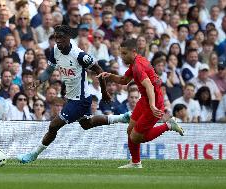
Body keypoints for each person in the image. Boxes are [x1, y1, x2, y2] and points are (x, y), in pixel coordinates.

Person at [17, 25, 111, 164]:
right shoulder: (55, 50)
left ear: (69, 38)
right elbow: (49, 71)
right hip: (72, 97)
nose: (58, 41)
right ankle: (123, 118)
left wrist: (104, 91)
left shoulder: (79, 55)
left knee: (54, 125)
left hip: (81, 99)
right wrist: (38, 81)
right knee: (86, 124)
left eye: (61, 38)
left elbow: (98, 70)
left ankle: (33, 155)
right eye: (56, 38)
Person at [97, 39, 184, 168]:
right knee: (130, 130)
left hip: (153, 101)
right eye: (121, 53)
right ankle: (136, 162)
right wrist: (109, 75)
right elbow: (124, 80)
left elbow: (148, 85)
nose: (122, 56)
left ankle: (168, 125)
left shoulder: (138, 66)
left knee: (136, 137)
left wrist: (153, 106)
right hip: (145, 99)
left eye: (125, 53)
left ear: (133, 52)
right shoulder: (136, 62)